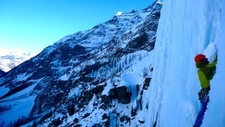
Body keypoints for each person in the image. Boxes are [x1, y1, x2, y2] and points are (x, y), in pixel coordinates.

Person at [193, 54, 217, 127]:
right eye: (204, 58)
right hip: (206, 92)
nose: (206, 59)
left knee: (202, 110)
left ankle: (196, 125)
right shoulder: (205, 68)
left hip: (203, 92)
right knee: (205, 111)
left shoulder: (200, 70)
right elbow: (213, 65)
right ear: (201, 61)